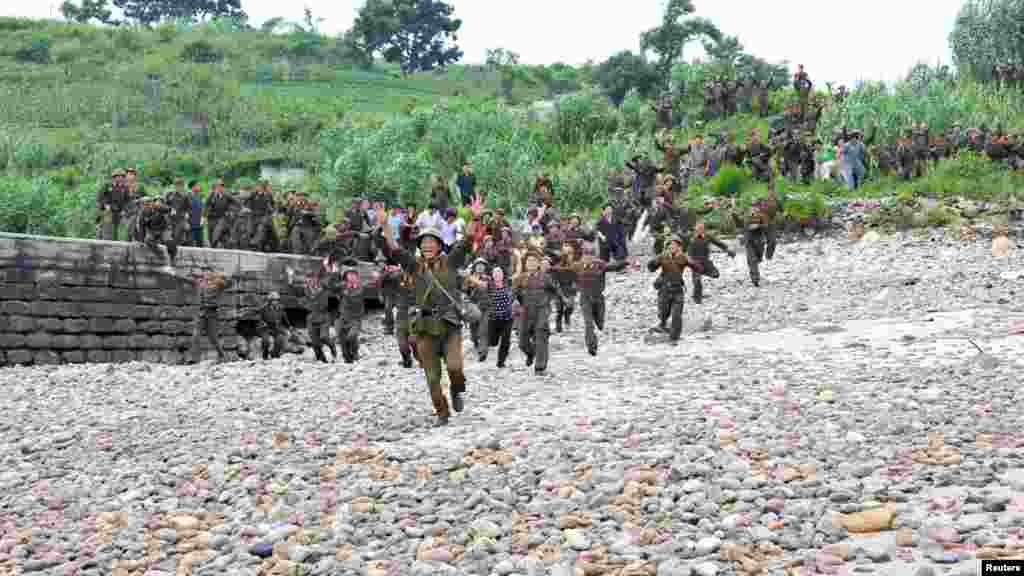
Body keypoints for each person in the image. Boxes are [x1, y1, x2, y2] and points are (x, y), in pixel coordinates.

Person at [375, 195, 483, 427]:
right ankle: (442, 412)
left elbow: (468, 239)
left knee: (455, 368)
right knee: (432, 379)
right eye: (423, 242)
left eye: (431, 241)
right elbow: (393, 248)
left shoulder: (451, 261)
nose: (427, 245)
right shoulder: (414, 266)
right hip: (424, 328)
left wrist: (474, 217)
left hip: (450, 325)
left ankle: (457, 389)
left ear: (439, 244)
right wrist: (385, 224)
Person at [511, 249, 566, 375]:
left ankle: (540, 367)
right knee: (522, 342)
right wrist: (514, 301)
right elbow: (513, 293)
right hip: (526, 311)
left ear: (538, 264)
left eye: (533, 261)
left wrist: (563, 300)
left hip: (542, 309)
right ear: (525, 264)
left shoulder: (545, 277)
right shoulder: (520, 278)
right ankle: (531, 353)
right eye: (528, 261)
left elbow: (556, 290)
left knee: (541, 333)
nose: (530, 263)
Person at [687, 221, 735, 330]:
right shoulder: (691, 238)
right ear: (695, 230)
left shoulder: (708, 236)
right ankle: (697, 299)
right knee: (697, 281)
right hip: (695, 262)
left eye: (701, 229)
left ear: (704, 229)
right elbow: (687, 251)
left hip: (706, 261)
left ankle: (702, 273)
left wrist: (727, 249)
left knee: (716, 274)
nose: (699, 230)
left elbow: (718, 243)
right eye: (697, 229)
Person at [647, 236, 691, 342]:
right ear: (668, 247)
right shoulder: (662, 256)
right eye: (671, 245)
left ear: (679, 247)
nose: (673, 247)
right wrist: (653, 261)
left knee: (676, 316)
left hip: (678, 291)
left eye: (675, 245)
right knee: (663, 313)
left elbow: (696, 266)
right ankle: (662, 326)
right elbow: (651, 268)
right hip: (664, 290)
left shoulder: (683, 258)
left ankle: (674, 338)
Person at [481, 266, 514, 368]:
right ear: (492, 275)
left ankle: (501, 362)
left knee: (505, 340)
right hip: (494, 318)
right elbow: (478, 283)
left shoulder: (508, 283)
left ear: (503, 274)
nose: (498, 274)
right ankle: (485, 349)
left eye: (499, 272)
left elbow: (518, 273)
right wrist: (468, 276)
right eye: (495, 273)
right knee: (493, 342)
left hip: (507, 318)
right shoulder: (489, 285)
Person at [189, 180, 204, 247]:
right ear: (193, 187)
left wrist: (203, 218)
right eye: (197, 185)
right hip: (191, 224)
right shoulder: (188, 196)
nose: (199, 187)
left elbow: (201, 209)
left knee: (200, 243)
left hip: (199, 224)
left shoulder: (199, 197)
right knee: (191, 243)